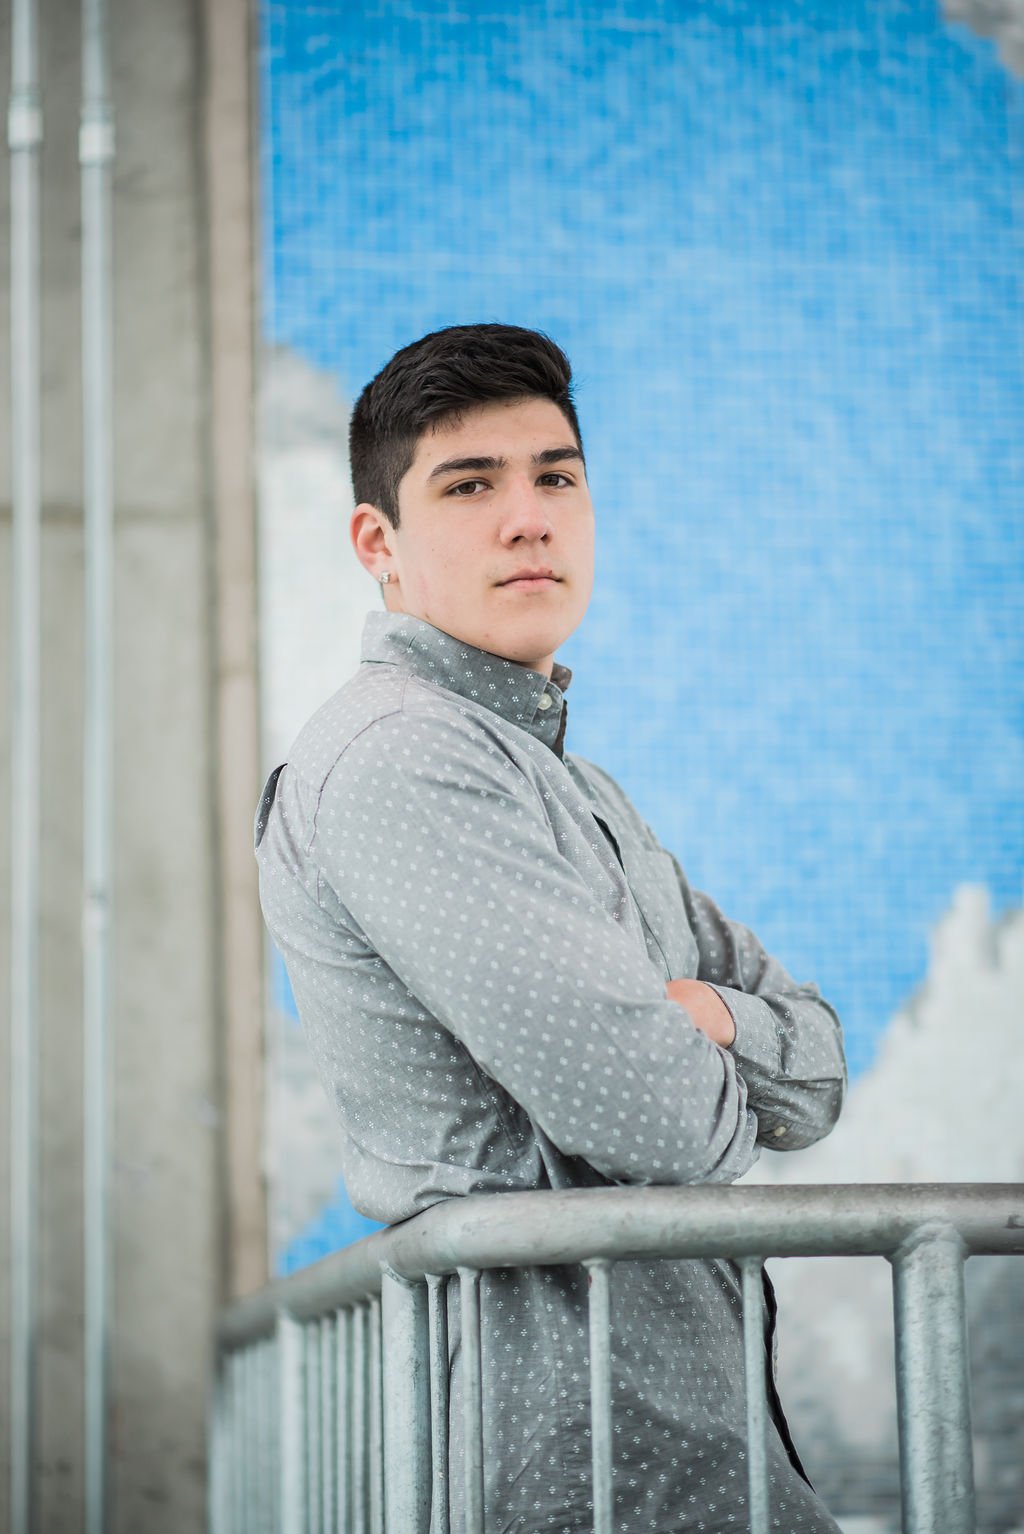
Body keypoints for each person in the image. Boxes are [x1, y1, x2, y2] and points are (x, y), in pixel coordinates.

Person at [255, 322, 847, 1533]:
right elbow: (662, 1120)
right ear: (380, 543)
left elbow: (820, 1070)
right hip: (573, 1448)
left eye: (556, 476)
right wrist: (714, 1047)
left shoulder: (571, 783)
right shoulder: (405, 761)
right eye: (470, 485)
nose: (530, 516)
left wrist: (712, 1016)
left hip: (685, 1427)